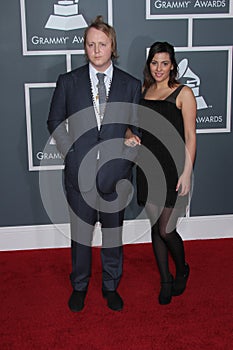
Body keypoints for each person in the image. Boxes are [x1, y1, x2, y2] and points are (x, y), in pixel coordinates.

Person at [47, 16, 141, 312]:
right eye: (91, 44)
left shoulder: (130, 84)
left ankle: (111, 285)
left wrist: (130, 143)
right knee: (81, 237)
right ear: (85, 48)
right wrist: (71, 153)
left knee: (113, 235)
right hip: (79, 175)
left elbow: (135, 126)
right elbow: (54, 120)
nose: (96, 50)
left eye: (102, 44)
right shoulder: (69, 81)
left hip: (115, 177)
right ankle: (80, 286)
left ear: (112, 46)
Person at [128, 42, 196, 305]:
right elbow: (132, 127)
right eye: (154, 63)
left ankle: (183, 269)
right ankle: (165, 280)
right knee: (155, 227)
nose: (159, 68)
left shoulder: (183, 93)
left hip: (173, 167)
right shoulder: (143, 91)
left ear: (172, 65)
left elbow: (190, 136)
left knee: (167, 229)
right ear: (149, 64)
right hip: (147, 166)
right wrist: (129, 135)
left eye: (164, 63)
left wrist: (187, 172)